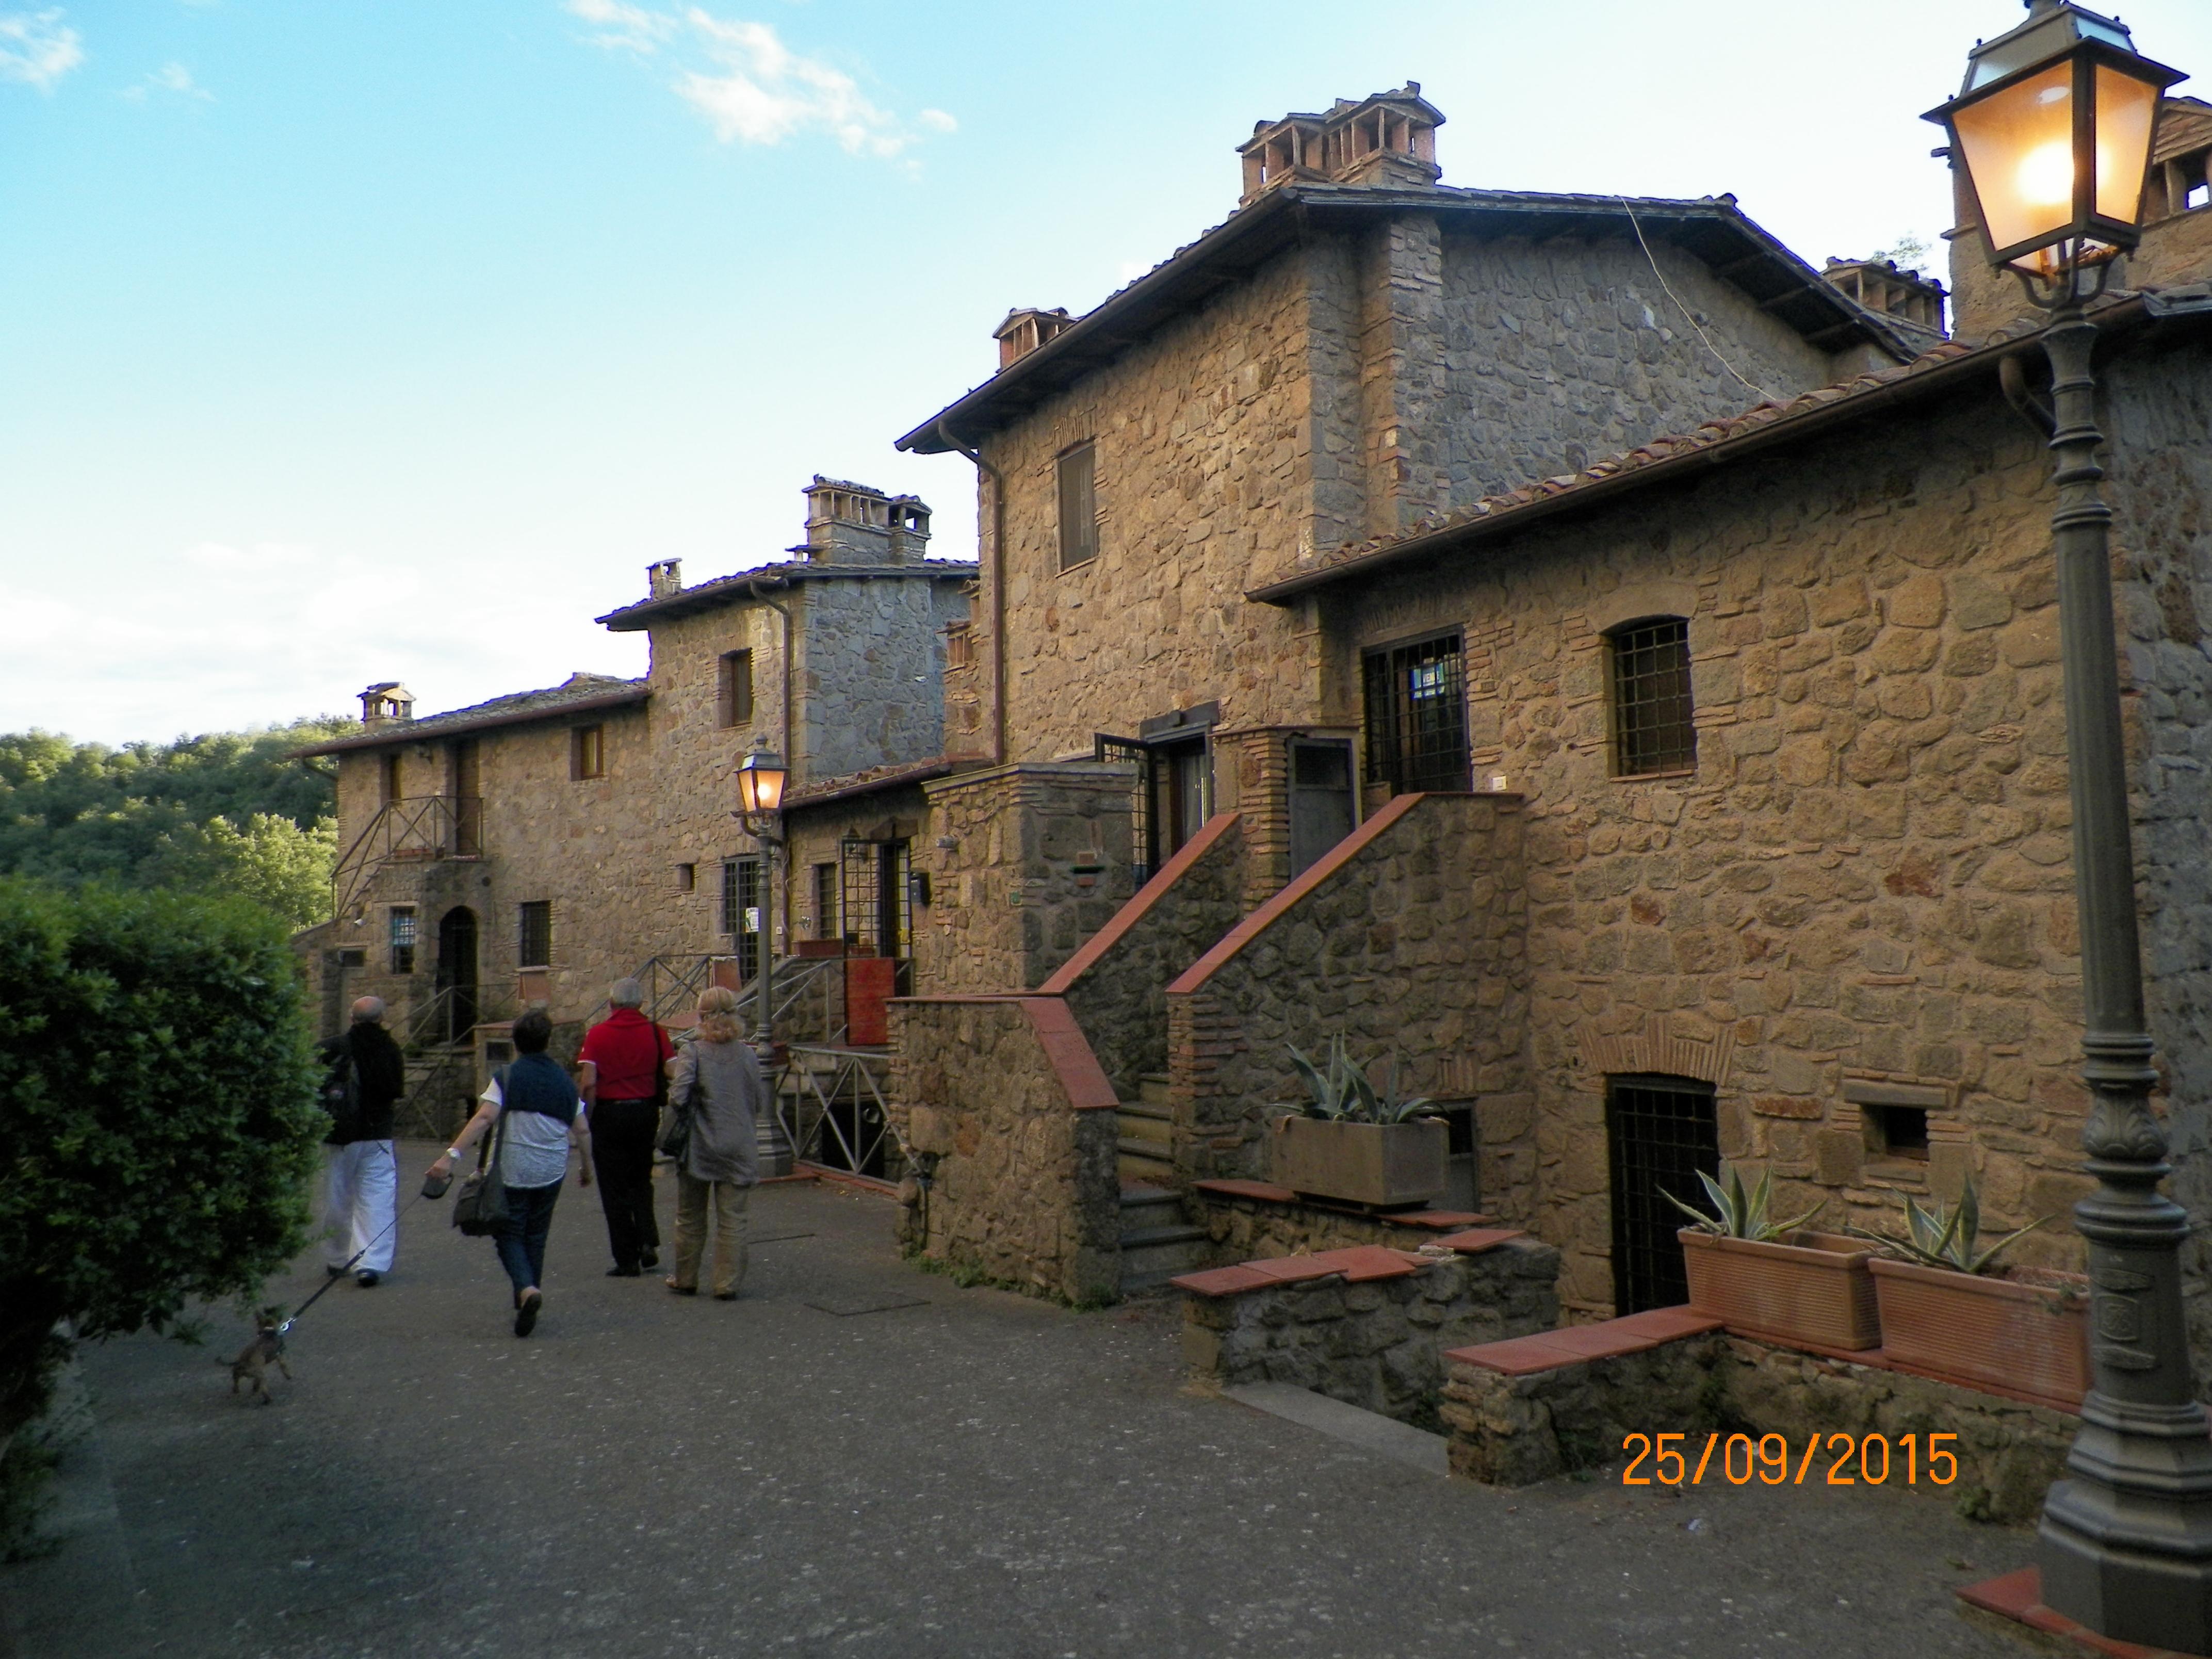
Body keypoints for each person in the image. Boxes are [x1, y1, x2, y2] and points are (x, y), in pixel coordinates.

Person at [425, 1009, 590, 1337]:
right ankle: (527, 1295)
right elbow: (583, 1130)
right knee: (537, 1234)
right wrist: (587, 1167)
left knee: (509, 1231)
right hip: (552, 1168)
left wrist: (450, 1156)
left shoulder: (508, 1077)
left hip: (514, 1167)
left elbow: (485, 1118)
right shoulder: (564, 1082)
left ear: (515, 1042)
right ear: (548, 1041)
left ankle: (527, 1289)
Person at [664, 986, 764, 1300]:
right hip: (740, 1144)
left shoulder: (693, 1052)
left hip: (701, 1145)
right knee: (733, 1220)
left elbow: (678, 1097)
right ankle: (726, 1284)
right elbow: (759, 1100)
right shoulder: (748, 1054)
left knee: (691, 1215)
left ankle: (686, 1278)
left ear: (701, 1016)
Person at [576, 978, 674, 1278]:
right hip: (645, 1113)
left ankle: (627, 1258)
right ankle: (647, 1240)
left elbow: (589, 1083)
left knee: (613, 1188)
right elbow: (674, 1070)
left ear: (612, 1004)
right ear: (641, 1004)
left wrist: (588, 1117)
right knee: (641, 1180)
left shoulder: (597, 1034)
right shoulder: (657, 1033)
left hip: (610, 1115)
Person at [318, 997, 407, 1287]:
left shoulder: (333, 1047)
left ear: (351, 1017)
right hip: (377, 1134)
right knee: (377, 1198)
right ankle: (370, 1262)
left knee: (337, 1197)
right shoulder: (390, 1049)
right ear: (382, 1018)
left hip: (339, 1134)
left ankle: (337, 1257)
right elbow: (395, 1090)